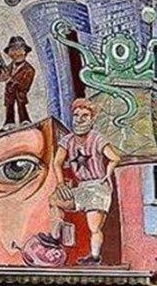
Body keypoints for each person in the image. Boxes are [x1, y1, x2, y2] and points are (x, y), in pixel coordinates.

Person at [38, 99, 120, 265]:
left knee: (94, 226)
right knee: (55, 200)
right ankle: (54, 236)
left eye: (85, 115)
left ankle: (95, 255)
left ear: (91, 119)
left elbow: (115, 158)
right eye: (76, 115)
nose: (80, 119)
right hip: (81, 187)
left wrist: (107, 175)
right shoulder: (68, 140)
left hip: (97, 187)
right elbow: (57, 162)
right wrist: (61, 184)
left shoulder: (97, 138)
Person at [0, 35, 36, 130]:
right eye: (12, 50)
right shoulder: (9, 67)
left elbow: (25, 86)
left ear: (24, 52)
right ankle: (9, 122)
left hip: (20, 94)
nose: (16, 53)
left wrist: (12, 81)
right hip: (9, 94)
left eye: (18, 49)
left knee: (21, 106)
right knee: (9, 107)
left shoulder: (29, 69)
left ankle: (25, 120)